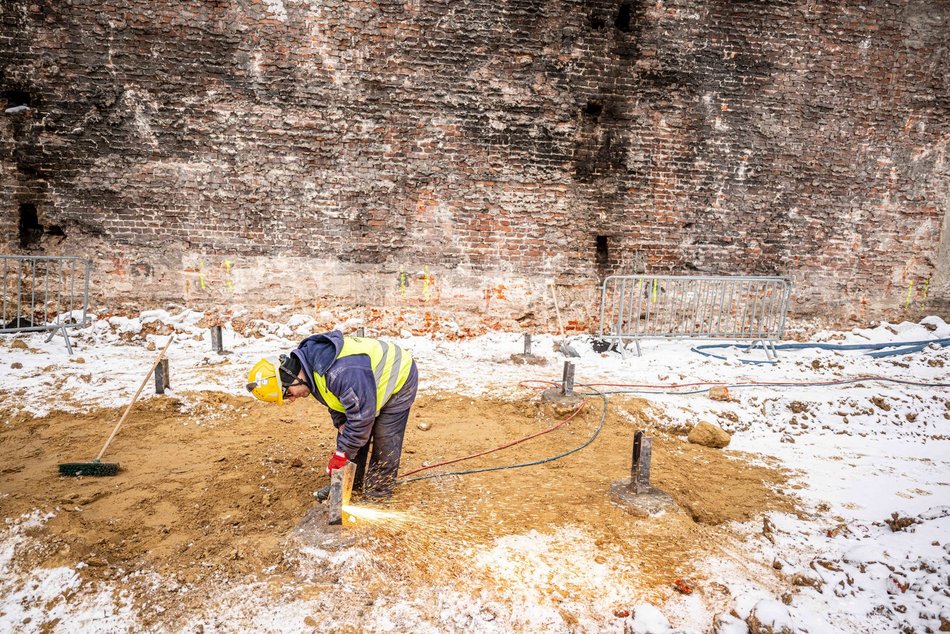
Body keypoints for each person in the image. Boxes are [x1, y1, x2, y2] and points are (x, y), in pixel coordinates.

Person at [246, 330, 418, 501]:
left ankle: (378, 495)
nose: (291, 399)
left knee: (385, 439)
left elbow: (361, 418)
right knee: (349, 434)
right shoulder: (310, 373)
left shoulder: (339, 372)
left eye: (288, 393)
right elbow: (335, 399)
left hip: (399, 377)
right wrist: (341, 422)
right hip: (362, 387)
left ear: (290, 375)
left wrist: (341, 454)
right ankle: (349, 486)